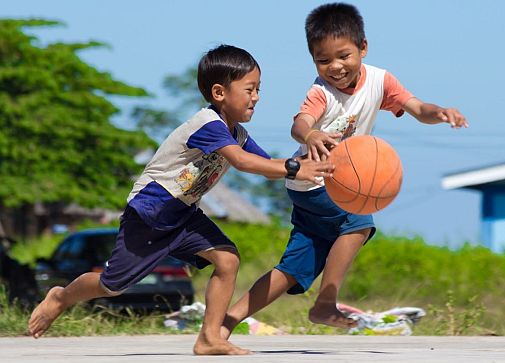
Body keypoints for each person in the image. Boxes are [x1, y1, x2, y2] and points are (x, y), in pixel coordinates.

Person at [28, 44, 333, 356]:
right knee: (112, 285)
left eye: (259, 89)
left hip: (184, 214)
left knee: (227, 260)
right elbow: (243, 163)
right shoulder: (208, 124)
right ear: (219, 92)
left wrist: (314, 159)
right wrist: (296, 167)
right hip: (151, 212)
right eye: (250, 89)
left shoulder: (236, 133)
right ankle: (61, 297)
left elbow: (268, 166)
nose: (256, 97)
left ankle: (209, 338)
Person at [221, 2, 467, 336]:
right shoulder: (320, 93)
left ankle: (226, 322)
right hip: (314, 180)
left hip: (324, 185)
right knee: (358, 222)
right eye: (323, 61)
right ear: (313, 61)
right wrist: (311, 133)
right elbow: (299, 125)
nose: (335, 67)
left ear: (363, 48)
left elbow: (416, 107)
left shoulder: (380, 81)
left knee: (294, 268)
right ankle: (325, 303)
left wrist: (438, 112)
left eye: (343, 56)